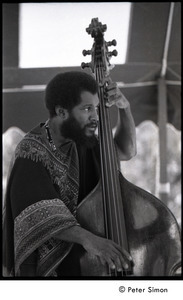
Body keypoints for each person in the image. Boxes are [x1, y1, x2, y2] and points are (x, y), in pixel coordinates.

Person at [3, 71, 137, 277]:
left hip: (84, 263)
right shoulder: (31, 151)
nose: (96, 116)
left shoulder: (83, 141)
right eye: (87, 109)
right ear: (61, 112)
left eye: (97, 108)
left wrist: (124, 108)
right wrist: (90, 240)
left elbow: (126, 151)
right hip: (49, 270)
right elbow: (37, 213)